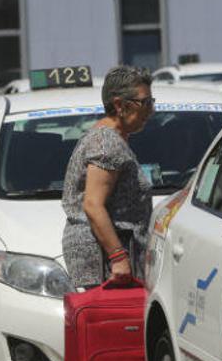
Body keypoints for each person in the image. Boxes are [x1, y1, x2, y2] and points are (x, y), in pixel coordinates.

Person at [62, 66, 155, 289]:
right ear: (119, 105)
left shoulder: (107, 138)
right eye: (145, 103)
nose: (151, 110)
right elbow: (93, 205)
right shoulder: (107, 144)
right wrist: (118, 258)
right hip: (104, 262)